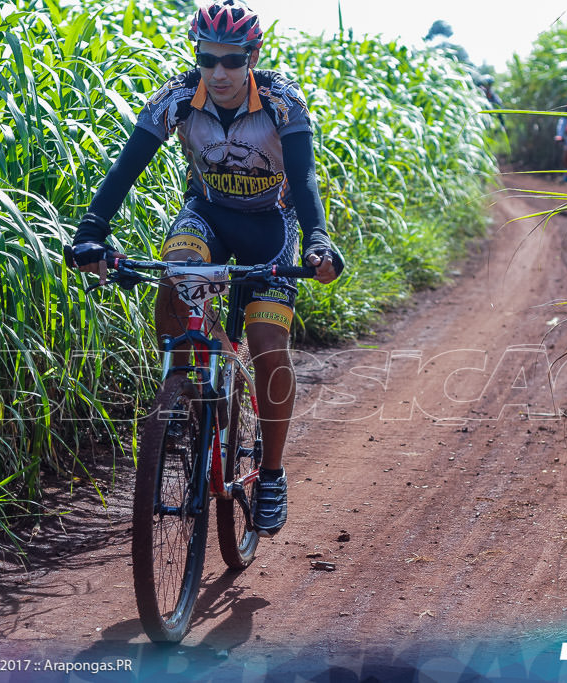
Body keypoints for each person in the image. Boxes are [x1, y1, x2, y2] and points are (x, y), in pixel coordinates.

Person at [66, 0, 343, 538]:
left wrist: (319, 241)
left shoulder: (282, 101)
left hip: (271, 225)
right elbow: (126, 169)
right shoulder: (177, 97)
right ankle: (192, 398)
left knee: (267, 344)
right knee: (174, 281)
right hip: (207, 217)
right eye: (207, 59)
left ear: (253, 57)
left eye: (232, 61)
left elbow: (305, 180)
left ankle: (271, 473)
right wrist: (91, 231)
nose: (218, 72)